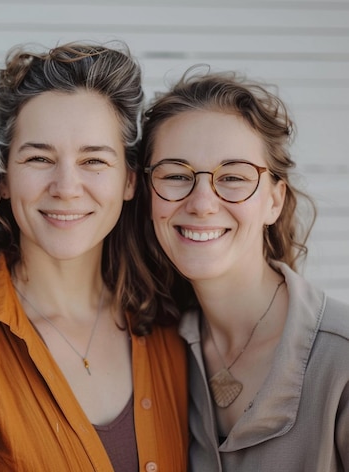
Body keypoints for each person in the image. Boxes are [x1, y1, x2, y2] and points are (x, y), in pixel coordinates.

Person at [0, 41, 188, 472]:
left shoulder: (176, 329)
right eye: (39, 157)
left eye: (93, 160)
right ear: (3, 179)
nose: (66, 187)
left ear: (129, 181)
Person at [139, 66, 349, 471]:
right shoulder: (155, 348)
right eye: (177, 175)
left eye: (233, 177)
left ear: (274, 200)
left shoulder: (341, 359)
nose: (202, 203)